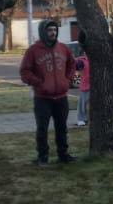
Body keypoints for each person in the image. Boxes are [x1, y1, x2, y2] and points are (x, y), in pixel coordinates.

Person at [19, 19, 77, 166]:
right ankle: (43, 156)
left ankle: (63, 155)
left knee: (62, 127)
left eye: (55, 30)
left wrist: (68, 80)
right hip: (42, 98)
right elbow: (25, 71)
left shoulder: (63, 48)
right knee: (42, 128)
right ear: (43, 32)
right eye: (49, 30)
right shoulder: (33, 50)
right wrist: (39, 83)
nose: (53, 32)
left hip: (61, 97)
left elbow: (72, 64)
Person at [75, 40, 90, 127]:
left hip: (93, 86)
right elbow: (76, 70)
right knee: (83, 104)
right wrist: (77, 82)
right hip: (85, 85)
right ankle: (81, 119)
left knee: (89, 104)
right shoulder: (81, 60)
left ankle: (87, 118)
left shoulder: (93, 59)